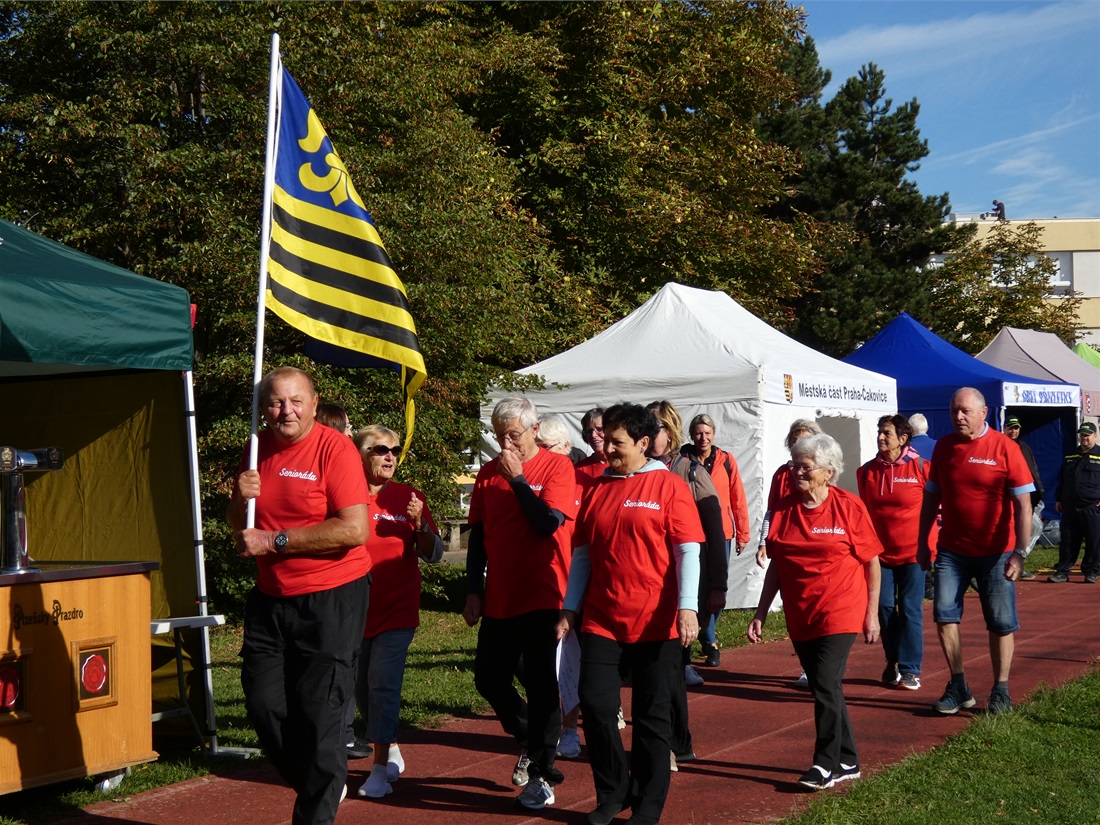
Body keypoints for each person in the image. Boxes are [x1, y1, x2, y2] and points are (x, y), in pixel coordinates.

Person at [227, 366, 370, 825]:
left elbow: (355, 530)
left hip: (332, 597)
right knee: (263, 703)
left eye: (295, 401)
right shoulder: (256, 448)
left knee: (319, 716)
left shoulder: (336, 449)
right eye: (275, 402)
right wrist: (238, 499)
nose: (285, 411)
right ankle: (322, 783)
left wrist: (274, 541)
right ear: (262, 407)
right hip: (271, 598)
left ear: (313, 403)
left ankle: (317, 805)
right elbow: (241, 530)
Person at [557, 403, 703, 825]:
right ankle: (612, 792)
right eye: (605, 440)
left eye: (616, 442)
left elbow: (687, 550)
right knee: (596, 704)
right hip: (602, 617)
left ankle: (647, 804)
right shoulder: (598, 488)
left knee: (652, 715)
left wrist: (688, 607)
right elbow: (582, 555)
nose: (607, 449)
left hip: (657, 620)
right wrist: (570, 607)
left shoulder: (668, 485)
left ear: (642, 443)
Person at [748, 433, 882, 792]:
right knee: (827, 687)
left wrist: (871, 614)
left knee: (823, 683)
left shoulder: (849, 507)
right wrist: (761, 612)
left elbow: (872, 562)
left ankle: (824, 765)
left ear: (828, 472)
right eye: (795, 466)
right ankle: (848, 759)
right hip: (800, 613)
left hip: (840, 610)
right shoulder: (785, 509)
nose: (797, 472)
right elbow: (777, 565)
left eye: (806, 467)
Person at [463, 397, 579, 810]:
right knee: (488, 677)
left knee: (542, 682)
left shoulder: (557, 467)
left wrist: (518, 481)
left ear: (534, 430)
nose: (505, 444)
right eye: (499, 436)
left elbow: (547, 523)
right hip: (501, 594)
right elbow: (478, 537)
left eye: (513, 435)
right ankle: (533, 738)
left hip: (544, 591)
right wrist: (473, 590)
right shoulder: (487, 474)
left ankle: (542, 775)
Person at [918, 387, 1035, 715]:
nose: (958, 417)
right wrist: (922, 543)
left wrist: (1020, 552)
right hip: (951, 550)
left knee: (1000, 622)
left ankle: (1001, 690)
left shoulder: (1005, 447)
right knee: (944, 615)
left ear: (984, 413)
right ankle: (958, 686)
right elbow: (931, 499)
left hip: (997, 552)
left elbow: (1024, 505)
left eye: (965, 411)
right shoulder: (944, 447)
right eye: (954, 410)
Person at [351, 425, 443, 799]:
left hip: (397, 612)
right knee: (360, 689)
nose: (390, 456)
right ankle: (388, 747)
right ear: (360, 455)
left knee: (382, 682)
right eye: (380, 449)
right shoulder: (345, 495)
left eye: (394, 450)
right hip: (355, 612)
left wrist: (420, 525)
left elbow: (434, 554)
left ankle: (377, 772)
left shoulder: (408, 497)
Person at [646, 400, 727, 768]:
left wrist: (717, 586)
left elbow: (714, 533)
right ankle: (668, 739)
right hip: (648, 584)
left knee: (672, 665)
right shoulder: (636, 472)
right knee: (656, 668)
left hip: (685, 583)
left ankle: (677, 741)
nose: (649, 435)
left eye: (657, 428)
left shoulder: (691, 472)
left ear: (672, 431)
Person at [857, 414, 932, 691]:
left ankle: (911, 669)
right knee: (883, 606)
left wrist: (931, 546)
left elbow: (937, 510)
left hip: (914, 554)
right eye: (879, 432)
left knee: (910, 609)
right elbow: (864, 514)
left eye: (886, 433)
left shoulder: (922, 467)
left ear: (903, 439)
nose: (880, 437)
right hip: (880, 556)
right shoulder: (866, 472)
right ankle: (894, 661)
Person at [680, 413, 749, 667]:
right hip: (690, 532)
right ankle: (709, 641)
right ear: (691, 435)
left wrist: (743, 533)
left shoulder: (726, 460)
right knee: (694, 586)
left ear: (714, 434)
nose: (703, 438)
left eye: (707, 433)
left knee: (718, 588)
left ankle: (706, 632)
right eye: (699, 433)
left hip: (722, 534)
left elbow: (738, 498)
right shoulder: (681, 460)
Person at [756, 418, 821, 689]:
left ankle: (820, 663)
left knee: (816, 607)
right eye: (794, 442)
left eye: (803, 441)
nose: (798, 446)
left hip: (814, 548)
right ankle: (808, 665)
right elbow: (772, 510)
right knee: (793, 609)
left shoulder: (820, 471)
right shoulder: (782, 474)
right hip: (788, 547)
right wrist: (763, 542)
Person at [535, 414, 584, 760]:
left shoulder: (583, 486)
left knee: (571, 663)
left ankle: (570, 730)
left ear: (565, 447)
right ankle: (551, 727)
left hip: (575, 587)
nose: (539, 454)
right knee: (544, 665)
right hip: (541, 585)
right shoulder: (531, 485)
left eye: (546, 447)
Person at [1048, 422, 1100, 584]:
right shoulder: (1070, 456)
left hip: (1092, 506)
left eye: (1087, 435)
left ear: (1095, 436)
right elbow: (1062, 479)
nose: (1084, 438)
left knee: (1094, 540)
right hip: (1070, 506)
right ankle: (1062, 572)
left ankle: (1091, 571)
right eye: (1082, 435)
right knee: (1068, 541)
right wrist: (1059, 498)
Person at [1004, 417, 1045, 579]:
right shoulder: (1000, 445)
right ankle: (1008, 565)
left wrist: (1039, 490)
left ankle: (1018, 561)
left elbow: (1033, 469)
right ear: (1004, 428)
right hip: (1007, 499)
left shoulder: (1024, 447)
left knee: (1034, 527)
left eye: (1016, 428)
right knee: (1011, 532)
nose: (1013, 431)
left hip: (1027, 497)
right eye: (1010, 427)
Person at [576, 406, 608, 480]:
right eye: (589, 431)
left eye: (599, 429)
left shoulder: (626, 465)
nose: (593, 435)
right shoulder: (579, 470)